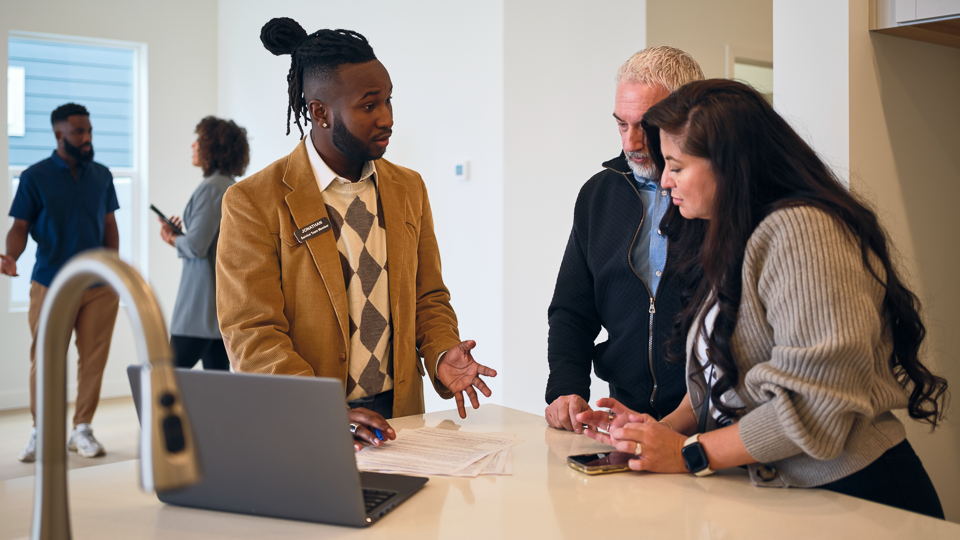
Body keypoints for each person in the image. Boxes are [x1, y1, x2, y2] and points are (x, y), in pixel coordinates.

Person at [578, 80, 948, 519]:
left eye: (676, 166)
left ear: (728, 166)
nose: (663, 181)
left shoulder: (803, 233)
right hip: (789, 491)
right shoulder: (736, 234)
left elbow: (815, 406)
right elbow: (725, 377)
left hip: (858, 494)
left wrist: (688, 453)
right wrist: (658, 433)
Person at [216, 18, 497, 450]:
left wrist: (442, 354)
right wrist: (324, 411)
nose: (386, 118)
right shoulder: (253, 201)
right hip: (307, 423)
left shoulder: (408, 187)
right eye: (369, 106)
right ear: (320, 112)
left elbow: (428, 297)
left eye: (388, 101)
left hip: (399, 418)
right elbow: (251, 332)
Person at [545, 47, 704, 433]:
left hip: (710, 420)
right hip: (626, 416)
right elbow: (572, 311)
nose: (631, 143)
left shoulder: (715, 200)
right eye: (621, 125)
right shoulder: (598, 196)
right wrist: (565, 389)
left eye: (646, 126)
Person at [2, 103, 121, 462]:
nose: (86, 138)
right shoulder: (34, 176)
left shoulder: (101, 174)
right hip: (50, 282)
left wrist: (113, 267)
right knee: (46, 358)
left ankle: (81, 428)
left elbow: (109, 224)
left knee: (93, 359)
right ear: (59, 135)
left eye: (89, 131)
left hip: (98, 286)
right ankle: (42, 430)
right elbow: (19, 227)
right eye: (79, 133)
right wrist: (10, 257)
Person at [159, 116, 249, 371]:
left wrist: (172, 237)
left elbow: (197, 246)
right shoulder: (229, 186)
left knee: (168, 379)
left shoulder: (212, 188)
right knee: (217, 387)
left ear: (212, 147)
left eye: (198, 140)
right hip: (217, 303)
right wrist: (179, 238)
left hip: (199, 305)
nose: (192, 146)